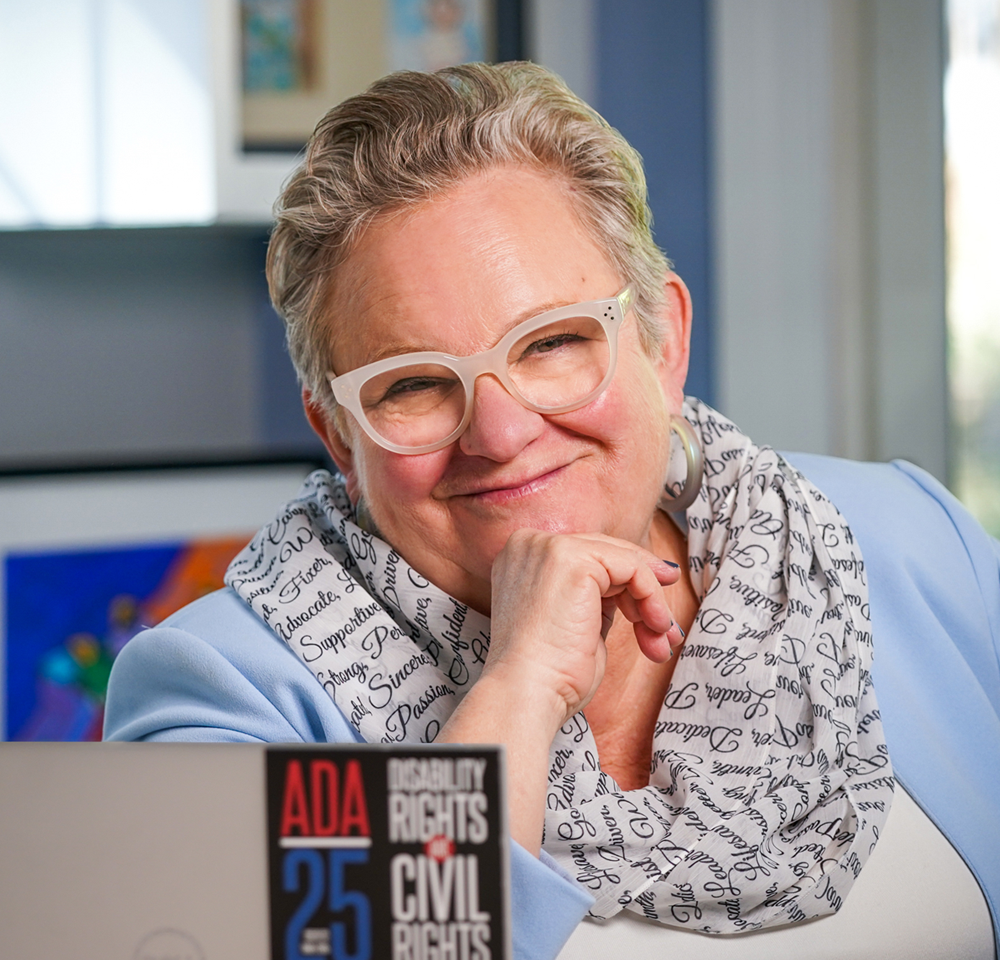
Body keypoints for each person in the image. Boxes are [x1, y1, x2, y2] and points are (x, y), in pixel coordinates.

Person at [105, 63, 1000, 959]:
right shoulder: (223, 696)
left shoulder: (910, 540)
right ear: (340, 436)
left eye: (555, 342)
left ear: (665, 345)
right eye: (413, 383)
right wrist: (517, 689)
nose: (498, 432)